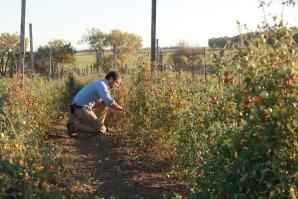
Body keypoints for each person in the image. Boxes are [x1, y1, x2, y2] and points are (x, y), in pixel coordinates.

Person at [67, 71, 123, 137]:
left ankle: (97, 125)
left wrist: (119, 112)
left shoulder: (102, 83)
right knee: (102, 129)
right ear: (111, 79)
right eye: (116, 82)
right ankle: (74, 126)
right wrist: (124, 109)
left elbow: (108, 104)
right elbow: (109, 102)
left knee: (103, 103)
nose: (116, 85)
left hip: (79, 107)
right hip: (81, 109)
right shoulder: (102, 85)